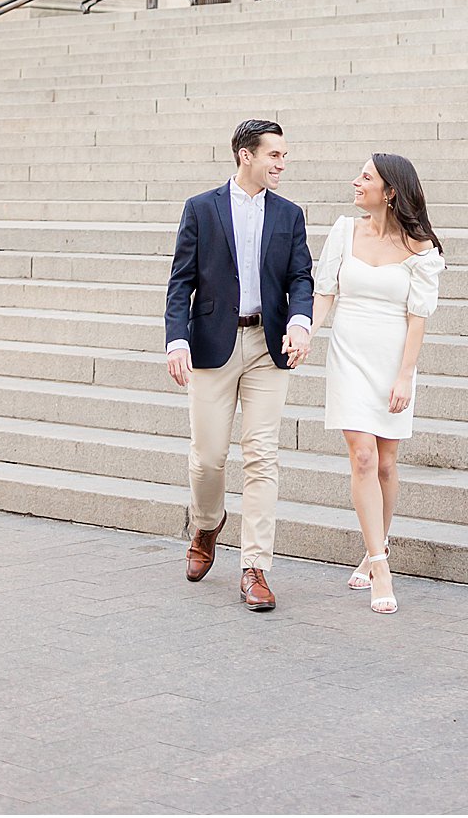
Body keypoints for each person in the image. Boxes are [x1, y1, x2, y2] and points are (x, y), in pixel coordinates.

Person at [164, 118, 313, 612]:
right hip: (212, 345)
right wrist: (176, 341)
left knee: (262, 455)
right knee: (207, 458)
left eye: (285, 156)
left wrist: (300, 322)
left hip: (268, 348)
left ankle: (255, 567)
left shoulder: (290, 215)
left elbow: (301, 277)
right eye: (275, 155)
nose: (282, 164)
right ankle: (206, 524)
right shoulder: (201, 209)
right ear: (245, 155)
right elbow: (180, 281)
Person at [312, 153, 444, 615]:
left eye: (365, 177)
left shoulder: (420, 248)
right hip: (348, 354)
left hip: (392, 361)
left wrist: (405, 375)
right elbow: (325, 290)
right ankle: (381, 564)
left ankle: (374, 547)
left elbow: (418, 317)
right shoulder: (343, 230)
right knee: (363, 456)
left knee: (387, 463)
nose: (355, 182)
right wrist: (306, 331)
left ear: (390, 191)